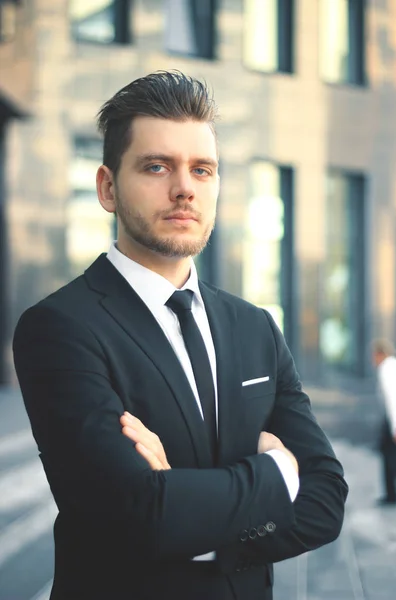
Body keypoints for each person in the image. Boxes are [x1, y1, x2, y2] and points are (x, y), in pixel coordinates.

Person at [13, 71, 348, 600]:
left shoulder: (254, 326)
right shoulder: (59, 327)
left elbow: (326, 499)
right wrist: (277, 471)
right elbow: (134, 513)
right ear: (107, 187)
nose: (184, 187)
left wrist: (189, 510)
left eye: (202, 169)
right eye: (156, 166)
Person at [372, 338, 396, 505]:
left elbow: (393, 399)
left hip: (393, 419)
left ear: (380, 354)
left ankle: (391, 494)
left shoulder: (385, 369)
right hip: (394, 418)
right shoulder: (395, 365)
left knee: (388, 454)